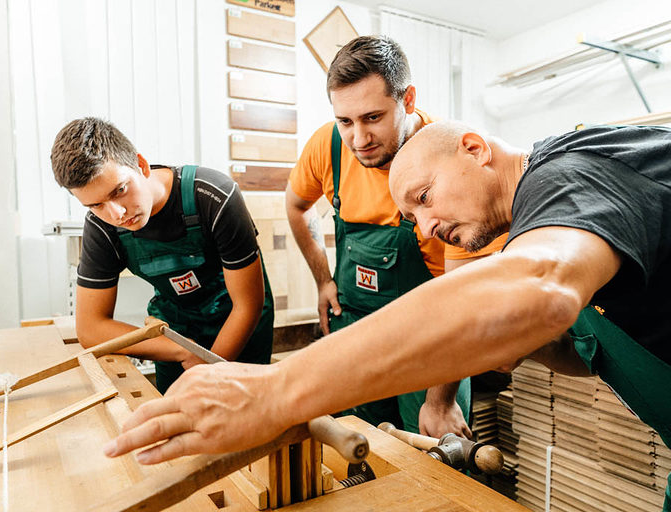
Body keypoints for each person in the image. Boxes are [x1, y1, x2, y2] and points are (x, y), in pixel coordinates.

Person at [102, 119, 671, 508]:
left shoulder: (567, 174)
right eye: (412, 216)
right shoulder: (547, 228)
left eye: (424, 197)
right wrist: (538, 346)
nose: (425, 228)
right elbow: (591, 351)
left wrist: (276, 389)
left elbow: (540, 287)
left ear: (474, 149)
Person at [286, 35, 503, 437]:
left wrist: (441, 402)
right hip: (355, 327)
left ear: (408, 100)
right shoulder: (329, 147)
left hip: (432, 344)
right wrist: (322, 279)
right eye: (345, 121)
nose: (359, 139)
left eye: (373, 118)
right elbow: (296, 206)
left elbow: (464, 301)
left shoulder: (452, 161)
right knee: (357, 450)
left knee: (436, 470)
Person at [50, 117, 274, 393]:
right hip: (175, 331)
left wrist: (209, 370)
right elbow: (90, 327)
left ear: (141, 165)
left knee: (245, 420)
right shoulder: (102, 226)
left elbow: (247, 305)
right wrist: (179, 350)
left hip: (237, 322)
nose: (116, 214)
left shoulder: (212, 196)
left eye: (119, 190)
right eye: (96, 204)